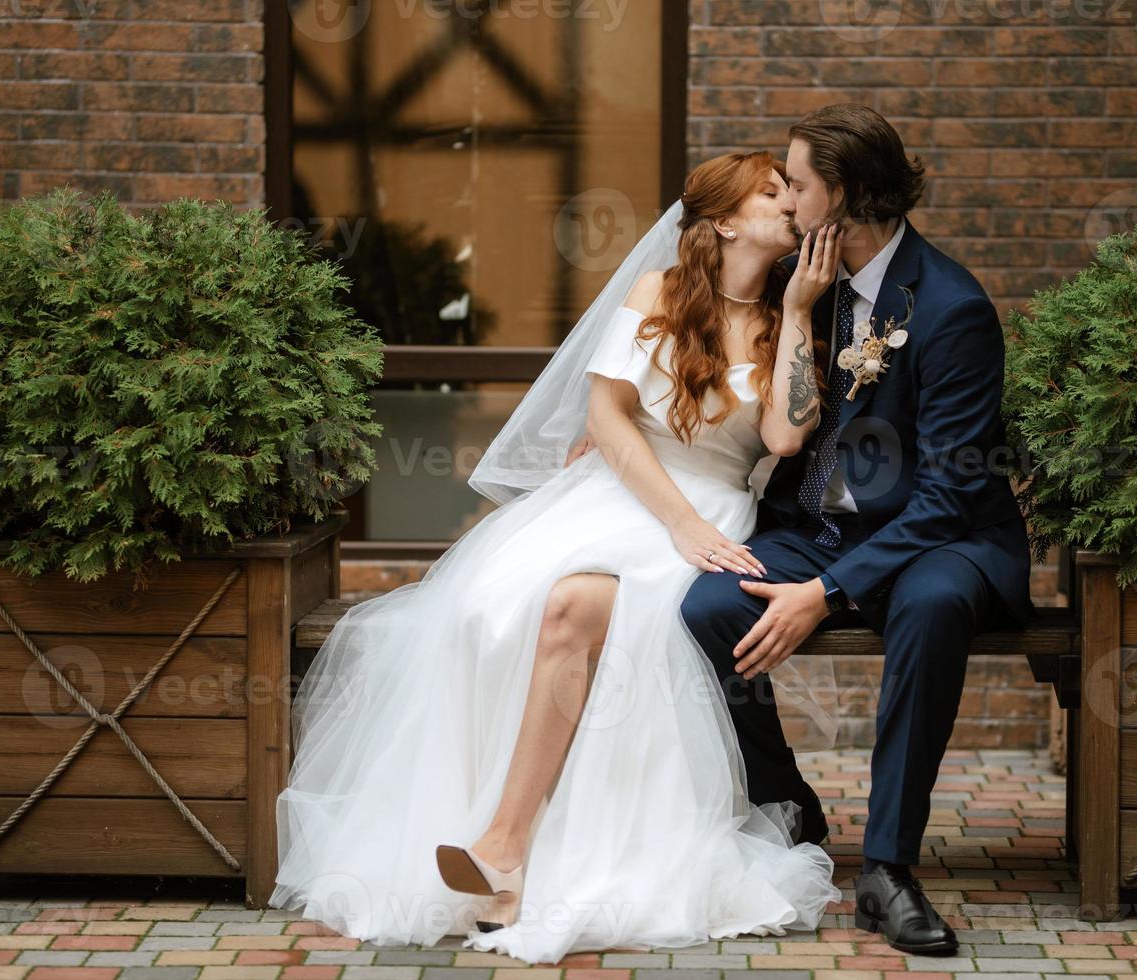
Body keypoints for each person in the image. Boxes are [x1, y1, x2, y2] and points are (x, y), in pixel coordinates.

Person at [269, 151, 844, 965]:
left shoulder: (792, 317)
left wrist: (794, 311)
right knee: (492, 608)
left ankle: (504, 848)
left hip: (714, 511)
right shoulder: (656, 296)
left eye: (794, 193)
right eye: (772, 192)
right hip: (628, 496)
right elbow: (606, 418)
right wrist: (673, 523)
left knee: (571, 609)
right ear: (722, 220)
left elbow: (785, 437)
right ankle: (498, 847)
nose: (792, 204)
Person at [680, 103, 1038, 957]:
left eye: (797, 185)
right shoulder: (807, 286)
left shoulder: (951, 307)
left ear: (840, 196)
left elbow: (951, 491)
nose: (785, 200)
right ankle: (791, 801)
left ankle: (887, 868)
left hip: (942, 538)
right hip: (817, 526)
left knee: (932, 604)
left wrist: (826, 594)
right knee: (706, 608)